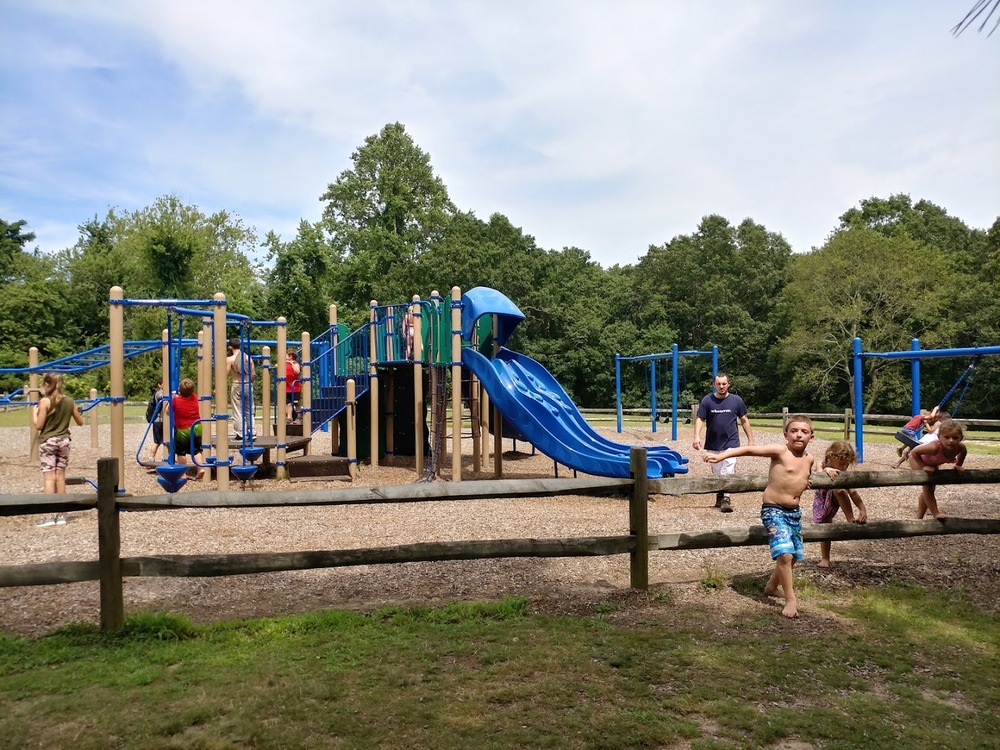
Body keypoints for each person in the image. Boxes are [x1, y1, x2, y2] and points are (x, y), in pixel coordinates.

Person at [705, 415, 815, 618]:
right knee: (784, 554)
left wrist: (827, 470)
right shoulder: (780, 451)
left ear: (811, 437)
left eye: (804, 432)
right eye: (794, 431)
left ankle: (772, 587)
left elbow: (810, 473)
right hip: (773, 509)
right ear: (786, 435)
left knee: (792, 557)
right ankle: (791, 600)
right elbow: (749, 450)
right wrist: (721, 456)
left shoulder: (809, 459)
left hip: (794, 513)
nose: (799, 435)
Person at [692, 372, 754, 513]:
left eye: (724, 384)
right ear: (714, 385)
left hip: (731, 442)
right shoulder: (707, 401)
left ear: (728, 384)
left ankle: (726, 498)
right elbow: (700, 419)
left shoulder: (736, 401)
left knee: (728, 469)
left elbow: (744, 420)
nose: (721, 386)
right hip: (713, 443)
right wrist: (696, 436)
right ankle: (719, 495)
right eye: (718, 384)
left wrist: (750, 440)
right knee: (717, 471)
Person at [32, 373, 84, 526]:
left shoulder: (45, 402)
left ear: (47, 384)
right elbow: (80, 422)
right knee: (60, 477)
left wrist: (34, 414)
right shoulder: (69, 401)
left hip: (48, 441)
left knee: (49, 478)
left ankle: (48, 515)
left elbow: (38, 426)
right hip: (64, 441)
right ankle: (62, 514)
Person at [813, 441, 868, 568]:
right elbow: (818, 472)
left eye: (846, 465)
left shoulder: (843, 473)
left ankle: (850, 518)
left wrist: (862, 509)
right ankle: (825, 558)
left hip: (835, 498)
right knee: (826, 528)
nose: (844, 468)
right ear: (831, 457)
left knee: (840, 489)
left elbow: (853, 492)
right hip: (822, 501)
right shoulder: (821, 464)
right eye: (842, 464)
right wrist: (827, 469)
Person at [908, 418, 967, 520]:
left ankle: (919, 516)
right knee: (928, 486)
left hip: (932, 462)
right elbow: (914, 452)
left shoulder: (960, 447)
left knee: (929, 488)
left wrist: (958, 464)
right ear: (939, 437)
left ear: (961, 438)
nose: (951, 441)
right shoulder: (934, 447)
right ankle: (936, 513)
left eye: (955, 437)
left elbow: (963, 452)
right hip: (918, 460)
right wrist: (923, 466)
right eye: (947, 437)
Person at [172, 378, 205, 480]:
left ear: (179, 390)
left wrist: (171, 398)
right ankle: (200, 469)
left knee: (180, 452)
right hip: (197, 426)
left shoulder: (176, 401)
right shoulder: (194, 397)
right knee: (197, 451)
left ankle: (183, 474)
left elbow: (168, 412)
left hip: (183, 429)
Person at [227, 337, 255, 439]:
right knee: (249, 410)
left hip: (237, 384)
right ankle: (253, 432)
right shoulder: (249, 358)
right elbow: (253, 374)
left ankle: (240, 433)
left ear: (230, 347)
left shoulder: (230, 359)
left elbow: (225, 375)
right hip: (248, 384)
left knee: (237, 410)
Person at [146, 379, 166, 463]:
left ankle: (167, 458)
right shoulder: (159, 393)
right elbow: (162, 398)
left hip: (164, 421)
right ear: (159, 385)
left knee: (168, 441)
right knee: (157, 441)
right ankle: (151, 459)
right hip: (159, 421)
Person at [285, 350, 301, 423]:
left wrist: (291, 363)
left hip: (294, 387)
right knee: (288, 403)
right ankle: (289, 417)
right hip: (287, 387)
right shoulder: (285, 364)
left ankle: (299, 417)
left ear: (290, 356)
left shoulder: (295, 363)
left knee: (296, 403)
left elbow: (297, 371)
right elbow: (276, 366)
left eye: (286, 355)